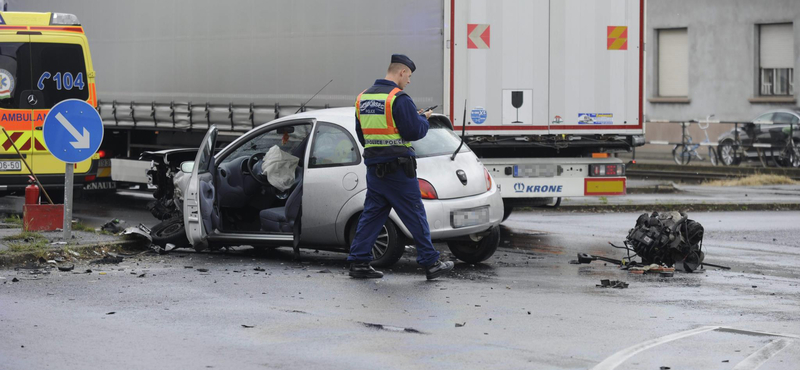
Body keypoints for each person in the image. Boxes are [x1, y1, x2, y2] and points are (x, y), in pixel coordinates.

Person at [347, 54, 454, 280]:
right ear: (401, 72)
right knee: (415, 214)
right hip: (398, 170)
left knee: (373, 215)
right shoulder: (399, 98)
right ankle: (431, 262)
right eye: (409, 76)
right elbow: (413, 132)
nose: (409, 81)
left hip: (375, 169)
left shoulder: (362, 98)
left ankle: (358, 262)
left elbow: (363, 135)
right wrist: (423, 119)